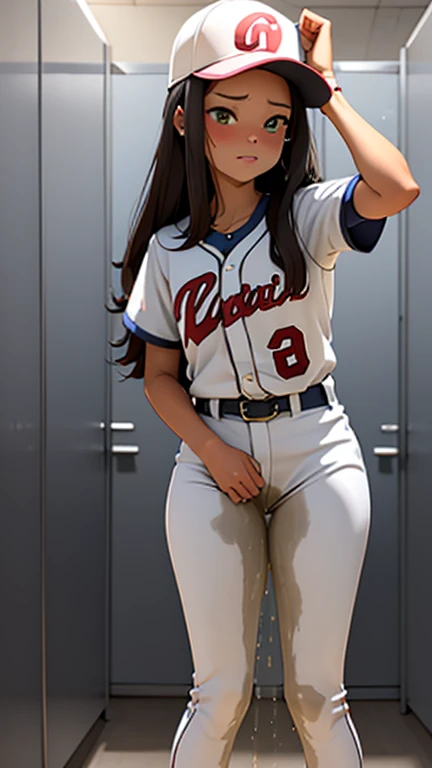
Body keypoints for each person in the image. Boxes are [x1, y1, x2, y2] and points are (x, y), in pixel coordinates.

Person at [112, 1, 420, 765]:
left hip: (318, 447)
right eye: (228, 112)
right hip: (211, 457)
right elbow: (158, 377)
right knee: (219, 691)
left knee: (320, 695)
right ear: (186, 117)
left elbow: (397, 187)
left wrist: (329, 88)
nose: (254, 135)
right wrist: (212, 453)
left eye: (275, 119)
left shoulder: (309, 213)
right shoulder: (168, 250)